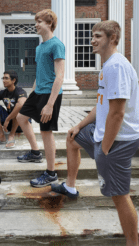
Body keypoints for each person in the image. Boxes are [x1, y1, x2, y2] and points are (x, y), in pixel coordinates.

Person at [50, 20, 139, 246]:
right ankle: (70, 185)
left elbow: (117, 113)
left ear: (113, 39)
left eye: (98, 36)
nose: (92, 40)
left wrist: (105, 149)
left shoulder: (116, 66)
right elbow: (102, 105)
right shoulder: (108, 65)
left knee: (119, 195)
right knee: (72, 139)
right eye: (92, 35)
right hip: (101, 133)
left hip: (117, 141)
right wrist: (79, 125)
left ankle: (132, 242)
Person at [16, 9, 65, 187]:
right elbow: (40, 72)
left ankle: (51, 173)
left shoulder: (56, 45)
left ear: (50, 23)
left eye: (40, 21)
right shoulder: (39, 47)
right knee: (21, 117)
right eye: (36, 21)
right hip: (38, 92)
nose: (36, 25)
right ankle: (35, 153)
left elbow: (59, 76)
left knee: (46, 131)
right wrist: (32, 94)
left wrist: (50, 105)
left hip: (50, 94)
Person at [0, 70, 29, 148]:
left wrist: (7, 119)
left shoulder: (20, 91)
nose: (3, 80)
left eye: (6, 78)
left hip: (20, 123)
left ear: (13, 80)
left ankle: (11, 135)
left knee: (17, 108)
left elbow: (21, 105)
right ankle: (1, 135)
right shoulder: (3, 92)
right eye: (3, 78)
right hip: (7, 123)